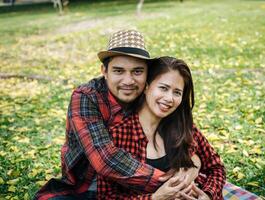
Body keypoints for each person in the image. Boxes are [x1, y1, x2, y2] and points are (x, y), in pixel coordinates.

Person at [35, 30, 200, 200]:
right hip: (87, 183)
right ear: (104, 71)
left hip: (133, 185)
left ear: (147, 75)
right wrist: (174, 185)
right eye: (118, 71)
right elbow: (106, 159)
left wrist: (195, 166)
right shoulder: (86, 97)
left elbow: (195, 143)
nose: (128, 81)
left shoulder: (151, 97)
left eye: (137, 71)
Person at [98, 56, 225, 199]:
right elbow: (106, 196)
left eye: (177, 92)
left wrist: (208, 195)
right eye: (163, 88)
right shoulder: (119, 134)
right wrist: (154, 198)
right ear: (146, 87)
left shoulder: (182, 125)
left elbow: (216, 167)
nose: (169, 98)